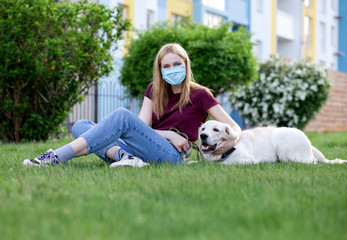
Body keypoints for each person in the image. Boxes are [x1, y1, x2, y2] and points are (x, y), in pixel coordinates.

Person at [23, 43, 242, 168]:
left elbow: (235, 128)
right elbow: (141, 127)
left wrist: (225, 144)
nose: (172, 68)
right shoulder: (153, 90)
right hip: (150, 144)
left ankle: (55, 157)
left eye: (177, 64)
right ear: (161, 70)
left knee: (122, 116)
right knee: (81, 125)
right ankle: (126, 158)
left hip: (172, 155)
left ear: (186, 65)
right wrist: (169, 134)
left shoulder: (200, 94)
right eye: (167, 66)